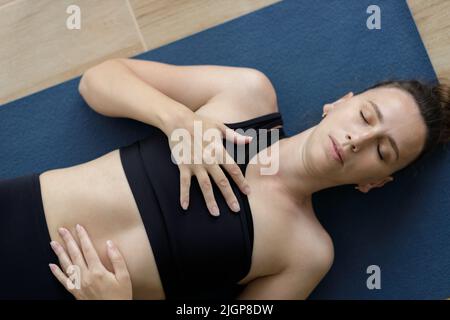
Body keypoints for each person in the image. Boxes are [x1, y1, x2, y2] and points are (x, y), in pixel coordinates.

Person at [1, 58, 448, 300]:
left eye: (382, 151)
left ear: (376, 182)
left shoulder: (307, 253)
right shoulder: (248, 98)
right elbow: (97, 81)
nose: (358, 140)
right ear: (342, 102)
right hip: (16, 216)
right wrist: (176, 120)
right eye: (367, 115)